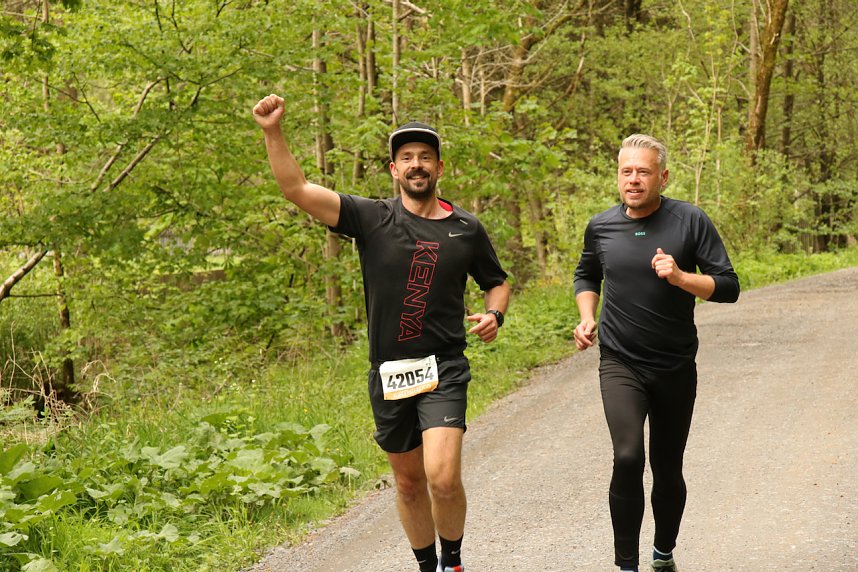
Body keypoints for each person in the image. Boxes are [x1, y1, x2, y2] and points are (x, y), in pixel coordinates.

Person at [252, 94, 510, 572]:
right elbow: (296, 189)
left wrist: (495, 314)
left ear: (439, 167)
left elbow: (496, 282)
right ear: (394, 169)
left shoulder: (464, 228)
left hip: (445, 365)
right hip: (390, 372)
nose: (417, 165)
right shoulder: (372, 218)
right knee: (409, 483)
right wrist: (273, 132)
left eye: (425, 157)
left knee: (443, 477)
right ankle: (426, 565)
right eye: (407, 158)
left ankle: (452, 563)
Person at [572, 134, 740, 572]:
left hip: (674, 366)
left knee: (667, 469)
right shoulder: (601, 226)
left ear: (662, 176)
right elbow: (586, 275)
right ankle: (626, 564)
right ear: (618, 176)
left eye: (643, 171)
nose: (634, 179)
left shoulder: (689, 221)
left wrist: (682, 277)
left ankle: (663, 554)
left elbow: (728, 286)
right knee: (628, 456)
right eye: (626, 171)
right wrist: (587, 316)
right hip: (620, 361)